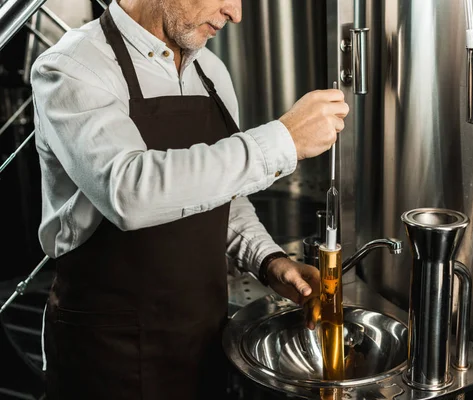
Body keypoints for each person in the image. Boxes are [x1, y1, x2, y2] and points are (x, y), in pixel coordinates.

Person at [30, 0, 349, 399]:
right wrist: (282, 140)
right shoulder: (72, 67)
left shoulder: (210, 70)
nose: (236, 14)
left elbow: (222, 194)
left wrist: (269, 261)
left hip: (202, 338)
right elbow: (130, 193)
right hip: (107, 351)